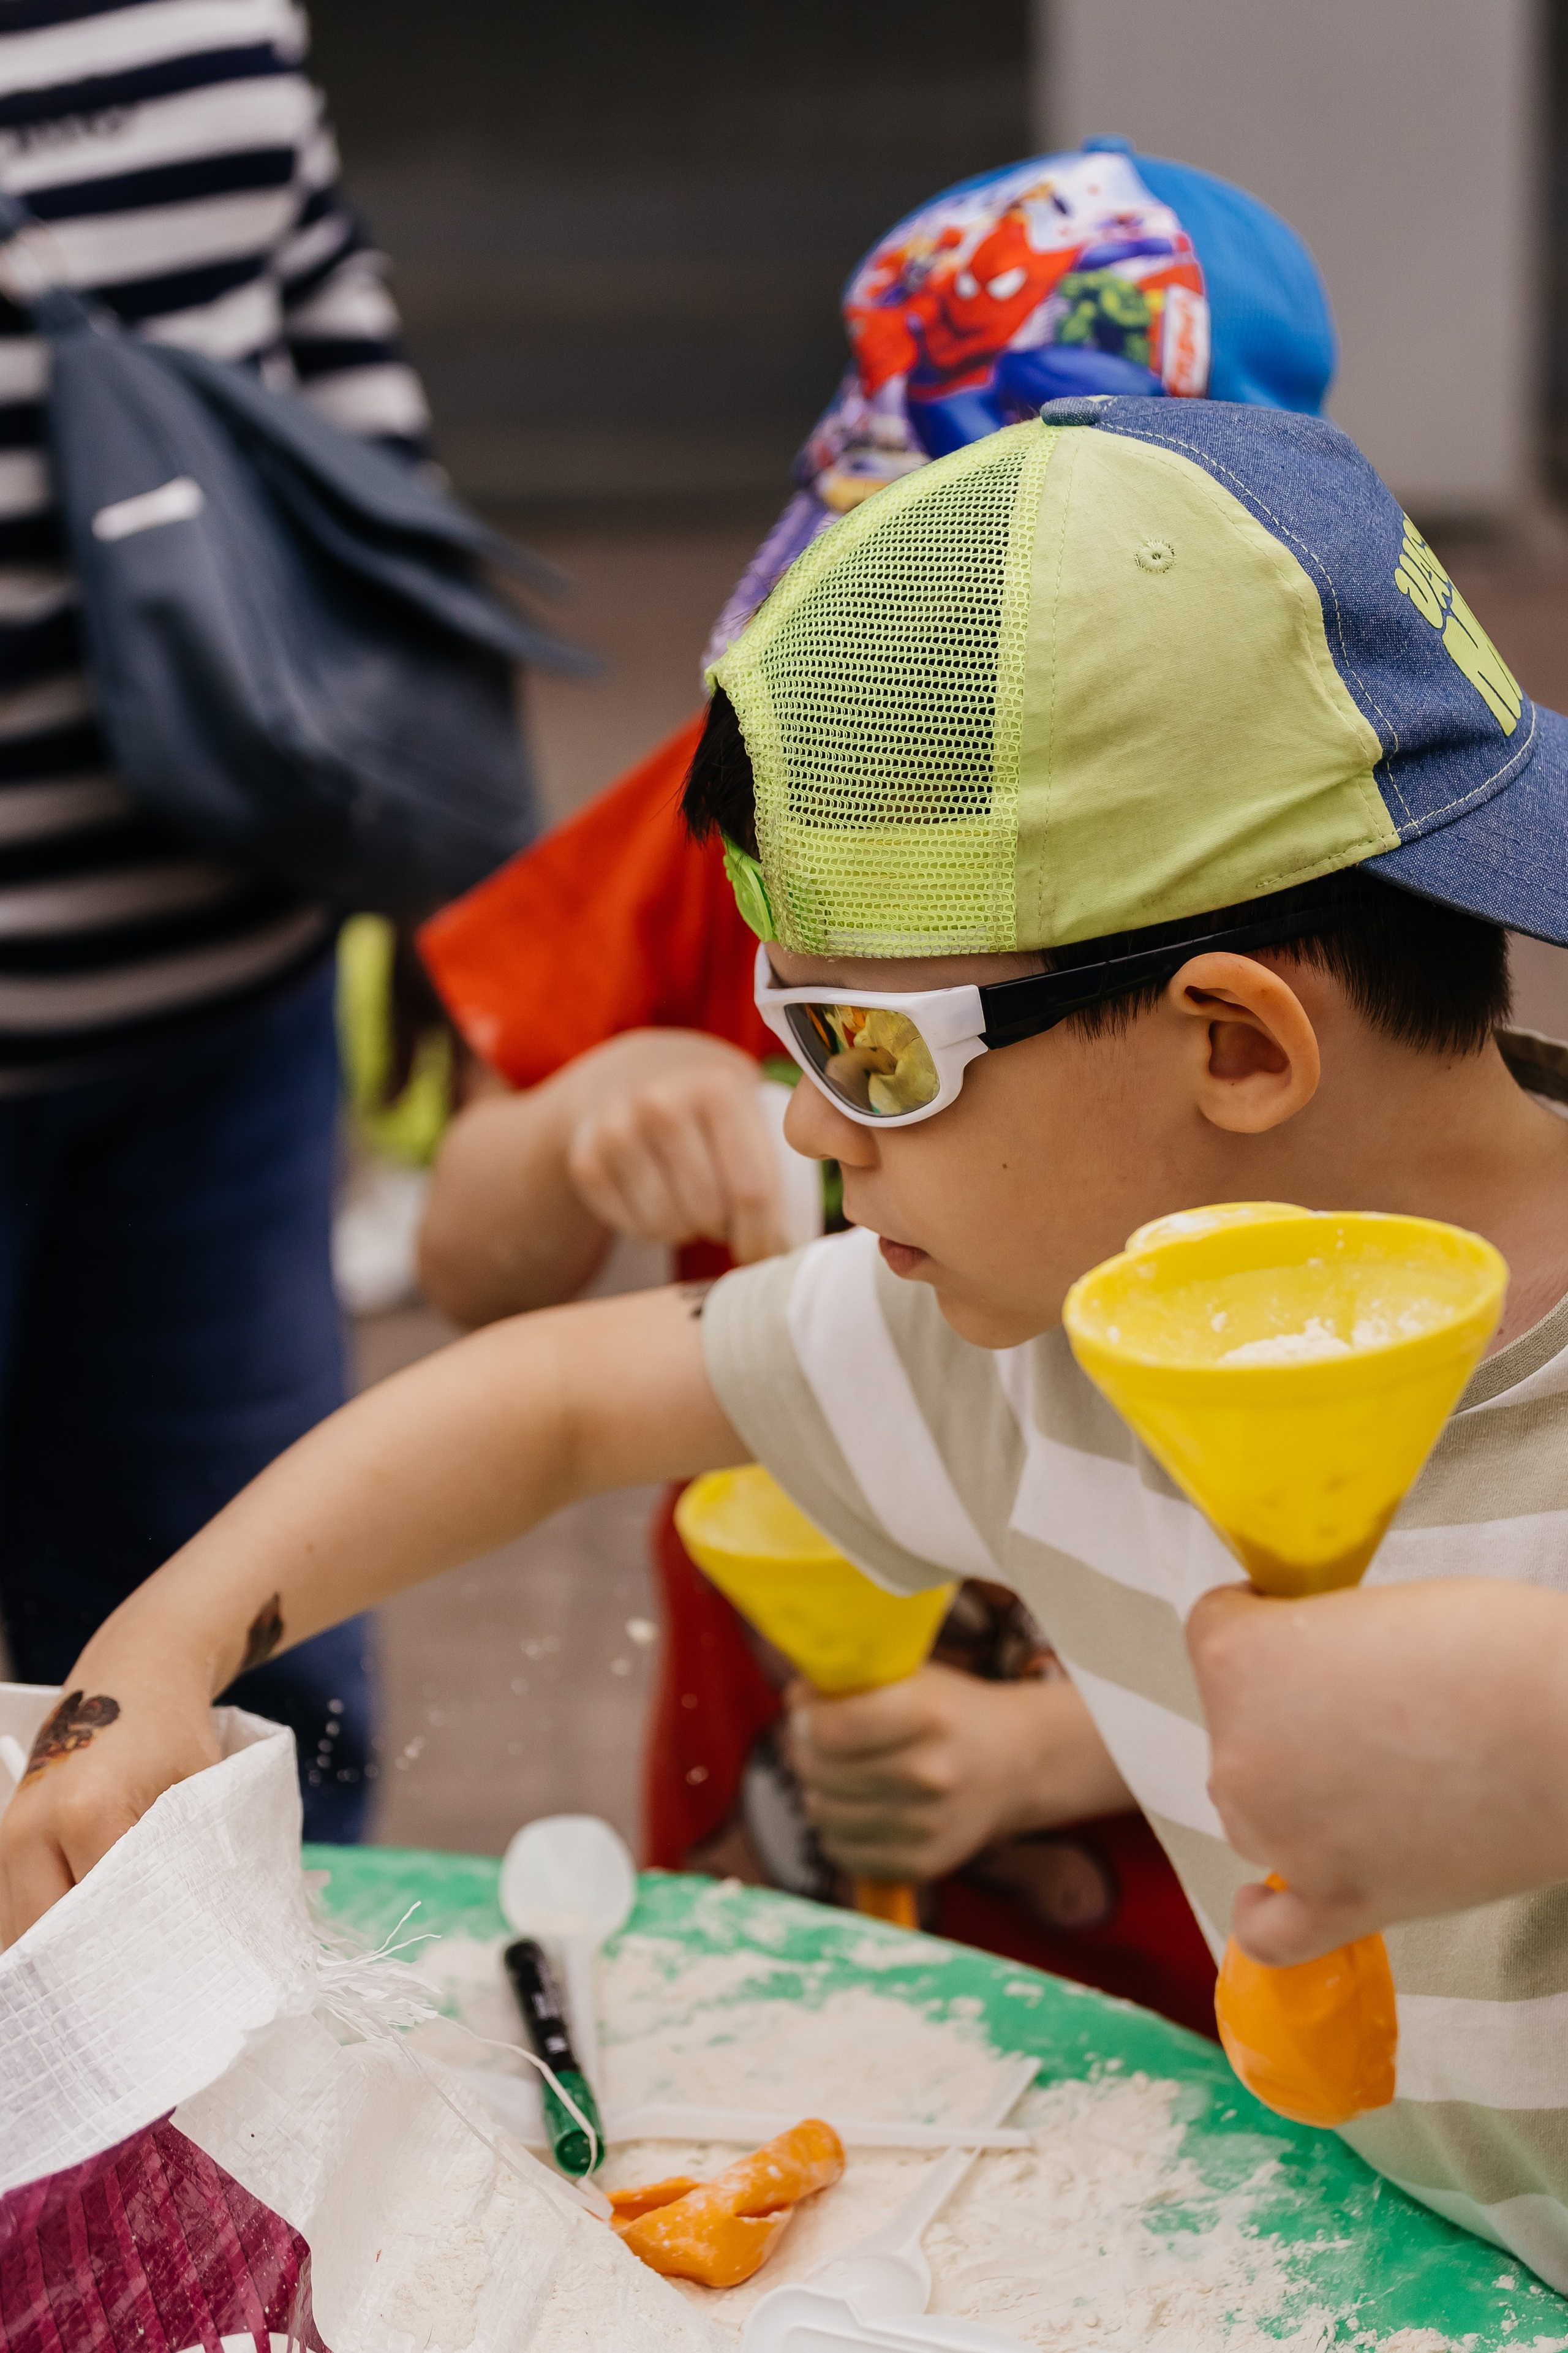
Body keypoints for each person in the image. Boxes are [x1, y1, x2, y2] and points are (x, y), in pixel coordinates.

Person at [13, 402, 1568, 2279]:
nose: (811, 1129)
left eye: (870, 1053)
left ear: (1235, 1043)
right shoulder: (1044, 1333)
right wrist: (150, 1660)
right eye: (787, 1033)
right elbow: (562, 1397)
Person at [413, 140, 1336, 2034]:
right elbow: (468, 1264)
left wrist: (1035, 1751)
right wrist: (591, 1123)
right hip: (774, 1867)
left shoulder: (1306, 922)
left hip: (1212, 1931)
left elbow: (1427, 1572)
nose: (917, 693)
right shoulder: (756, 809)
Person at [0, 0, 437, 1838]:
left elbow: (347, 388)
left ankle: (252, 2089)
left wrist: (407, 803)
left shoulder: (221, 22)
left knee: (244, 1663)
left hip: (222, 1017)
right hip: (204, 978)